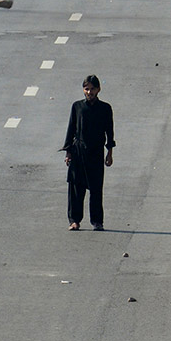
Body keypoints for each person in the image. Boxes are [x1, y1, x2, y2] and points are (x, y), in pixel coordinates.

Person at [61, 76, 115, 231]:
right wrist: (68, 152)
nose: (89, 92)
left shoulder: (105, 108)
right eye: (86, 89)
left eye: (92, 89)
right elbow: (71, 129)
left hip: (96, 153)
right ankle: (74, 220)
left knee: (96, 188)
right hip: (78, 153)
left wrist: (109, 153)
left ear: (98, 90)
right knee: (76, 188)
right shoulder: (77, 107)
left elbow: (109, 132)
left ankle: (97, 221)